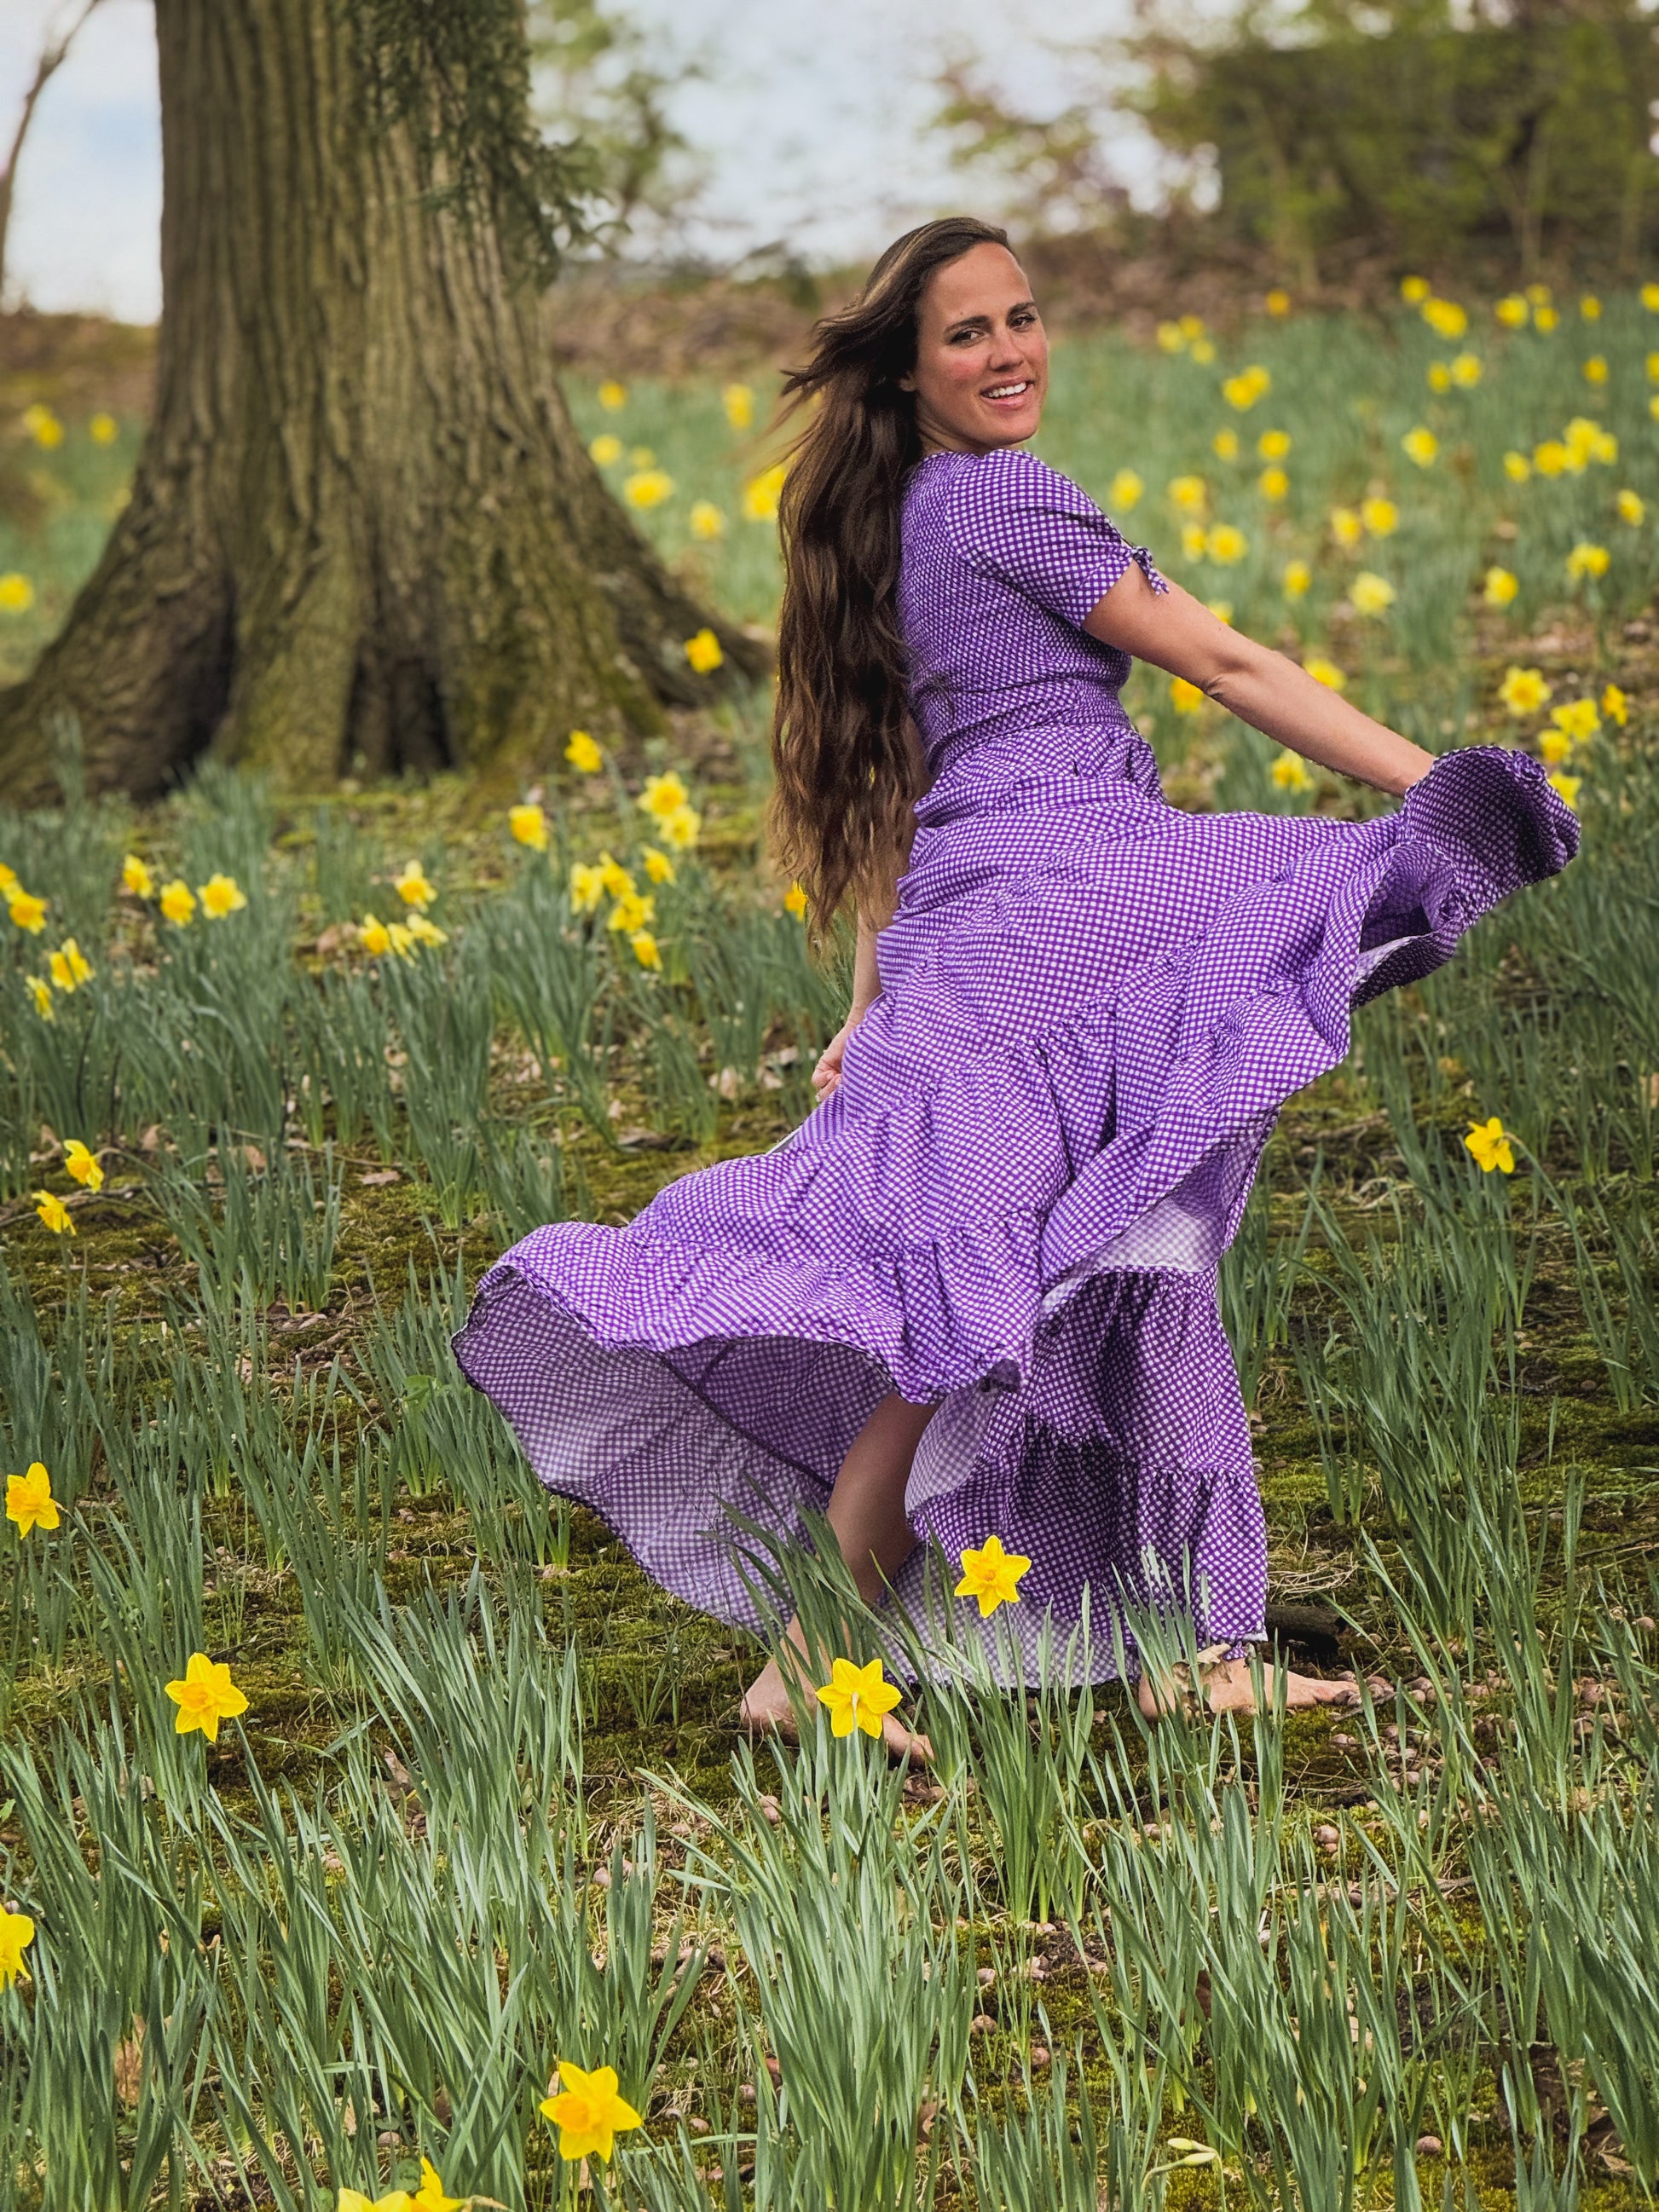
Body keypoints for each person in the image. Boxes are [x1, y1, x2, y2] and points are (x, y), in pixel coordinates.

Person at [454, 217, 1577, 1762]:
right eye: (968, 332)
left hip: (978, 931)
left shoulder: (892, 529)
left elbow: (889, 802)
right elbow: (1227, 667)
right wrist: (1442, 783)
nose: (1009, 352)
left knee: (1099, 1269)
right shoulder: (1004, 499)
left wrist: (869, 999)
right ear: (910, 374)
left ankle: (1169, 1645)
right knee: (975, 1305)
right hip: (1071, 913)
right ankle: (830, 1674)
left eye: (1022, 317)